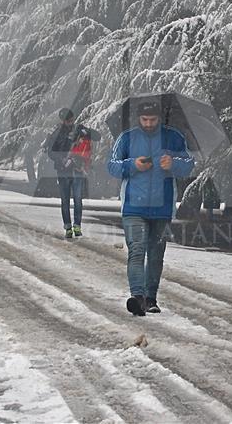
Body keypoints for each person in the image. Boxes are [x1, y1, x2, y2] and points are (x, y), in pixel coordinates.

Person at [107, 100, 194, 316]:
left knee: (156, 255)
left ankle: (151, 298)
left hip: (162, 207)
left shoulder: (173, 137)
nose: (148, 124)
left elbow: (189, 164)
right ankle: (137, 297)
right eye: (144, 120)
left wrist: (173, 163)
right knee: (137, 250)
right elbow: (112, 166)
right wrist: (132, 165)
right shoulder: (127, 138)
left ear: (159, 118)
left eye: (152, 120)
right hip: (133, 207)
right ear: (138, 119)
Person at [45, 108, 97, 238]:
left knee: (78, 199)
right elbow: (50, 151)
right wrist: (61, 159)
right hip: (63, 171)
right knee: (65, 200)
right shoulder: (56, 133)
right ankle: (68, 227)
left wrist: (88, 132)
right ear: (62, 120)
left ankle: (77, 226)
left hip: (77, 169)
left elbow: (97, 136)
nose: (70, 122)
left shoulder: (79, 129)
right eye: (68, 120)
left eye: (71, 120)